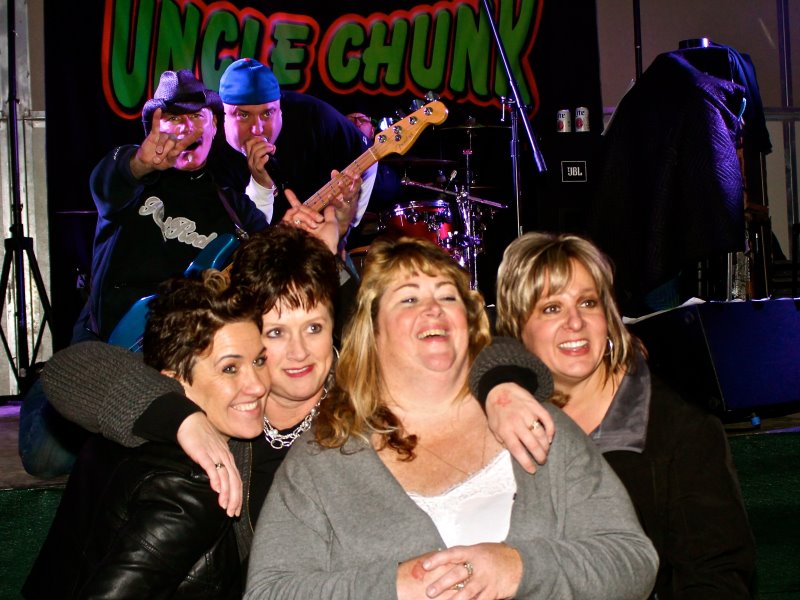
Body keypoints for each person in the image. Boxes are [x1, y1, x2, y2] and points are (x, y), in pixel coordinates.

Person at [244, 237, 659, 599]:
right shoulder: (324, 458)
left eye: (447, 297)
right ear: (374, 330)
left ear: (469, 322)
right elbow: (269, 592)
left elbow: (632, 561)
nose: (433, 310)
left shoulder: (534, 423)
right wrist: (394, 587)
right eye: (409, 299)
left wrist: (520, 569)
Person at [470, 232, 757, 598]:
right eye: (551, 308)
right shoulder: (510, 405)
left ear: (608, 314)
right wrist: (497, 386)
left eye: (587, 303)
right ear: (517, 326)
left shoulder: (680, 432)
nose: (575, 322)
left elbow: (718, 578)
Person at [37, 225, 342, 566]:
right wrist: (183, 420)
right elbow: (66, 370)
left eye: (314, 327)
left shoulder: (362, 410)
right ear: (248, 334)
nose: (300, 352)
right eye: (276, 332)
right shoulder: (226, 400)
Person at [18, 69, 269, 478]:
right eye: (173, 119)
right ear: (153, 127)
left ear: (214, 126)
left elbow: (270, 263)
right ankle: (46, 395)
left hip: (182, 355)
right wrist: (138, 162)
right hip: (109, 342)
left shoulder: (233, 207)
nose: (185, 130)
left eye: (196, 117)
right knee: (47, 458)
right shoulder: (133, 183)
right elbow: (107, 181)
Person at [23, 270, 268, 598]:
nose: (258, 385)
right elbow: (62, 369)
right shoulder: (192, 487)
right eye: (230, 368)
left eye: (259, 361)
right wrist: (185, 420)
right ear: (173, 380)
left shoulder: (120, 426)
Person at [213, 58, 376, 240]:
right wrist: (261, 186)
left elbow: (368, 153)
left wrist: (346, 228)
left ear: (280, 110)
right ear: (222, 116)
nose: (257, 129)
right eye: (243, 115)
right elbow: (248, 241)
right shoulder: (209, 148)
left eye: (267, 113)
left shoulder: (314, 119)